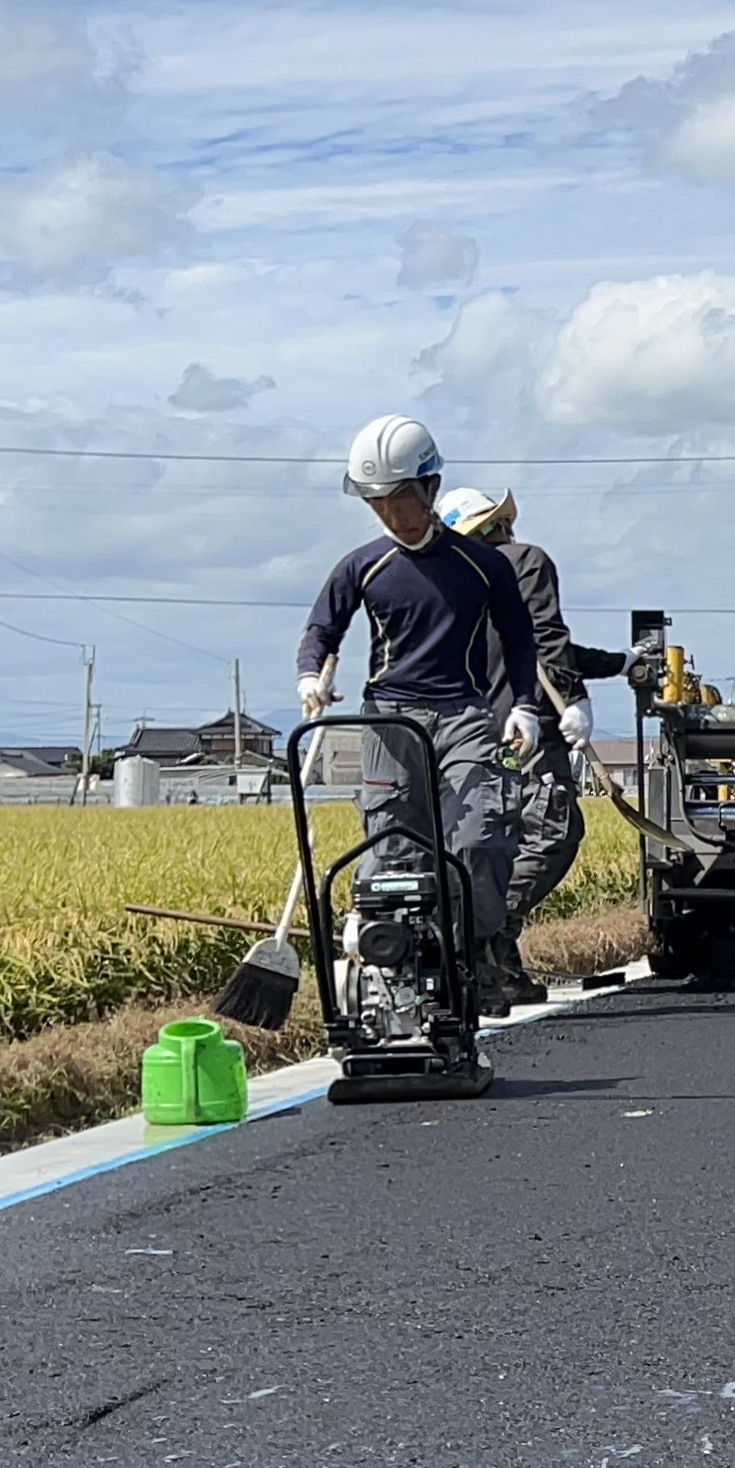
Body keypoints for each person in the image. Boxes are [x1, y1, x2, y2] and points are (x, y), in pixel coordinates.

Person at [295, 416, 553, 1031]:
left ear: (431, 488)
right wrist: (312, 677)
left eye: (402, 498)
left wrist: (522, 705)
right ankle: (390, 970)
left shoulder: (482, 566)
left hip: (464, 713)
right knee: (390, 845)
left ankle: (477, 951)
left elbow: (520, 641)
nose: (392, 514)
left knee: (480, 838)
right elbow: (321, 631)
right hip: (387, 716)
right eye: (378, 502)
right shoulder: (362, 566)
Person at [438, 483, 593, 968]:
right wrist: (575, 698)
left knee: (490, 843)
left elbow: (531, 646)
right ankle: (488, 935)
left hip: (464, 737)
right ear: (496, 524)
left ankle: (492, 960)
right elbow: (549, 640)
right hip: (526, 733)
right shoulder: (525, 561)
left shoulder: (451, 584)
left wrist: (621, 660)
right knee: (553, 832)